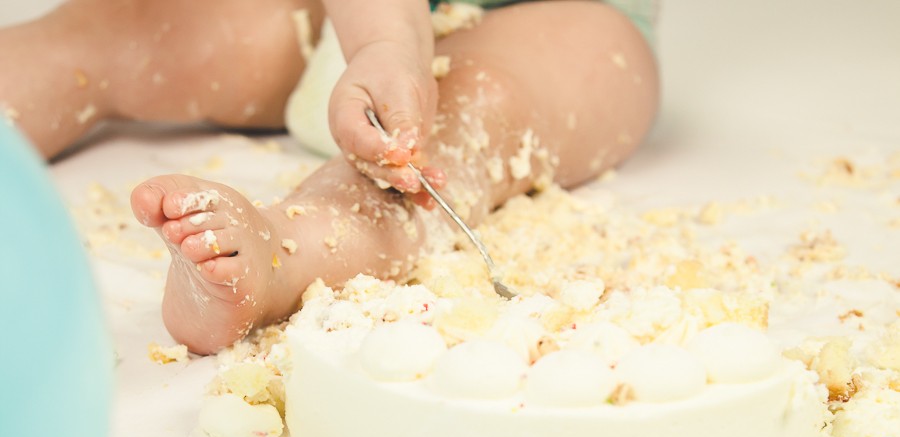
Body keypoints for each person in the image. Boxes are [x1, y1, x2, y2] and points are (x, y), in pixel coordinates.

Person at [2, 0, 659, 354]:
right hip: (334, 13)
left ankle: (287, 247)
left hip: (557, 20)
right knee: (131, 24)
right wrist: (382, 40)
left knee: (473, 107)